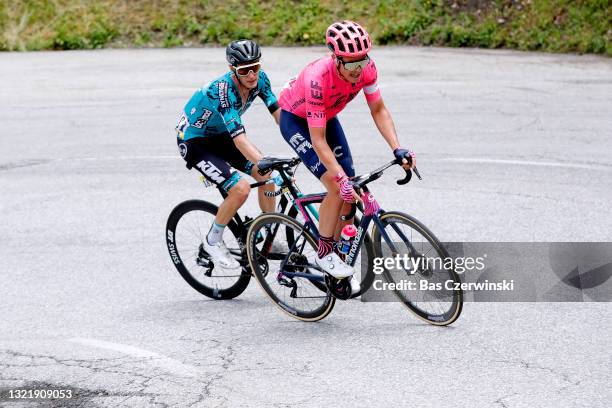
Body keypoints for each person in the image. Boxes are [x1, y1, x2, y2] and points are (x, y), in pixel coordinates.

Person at [277, 21, 415, 294]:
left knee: (350, 186)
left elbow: (378, 109)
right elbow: (317, 140)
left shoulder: (367, 69)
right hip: (297, 120)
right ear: (335, 58)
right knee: (336, 185)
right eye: (351, 65)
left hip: (326, 116)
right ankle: (324, 252)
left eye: (361, 63)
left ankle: (341, 258)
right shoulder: (318, 78)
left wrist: (396, 148)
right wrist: (339, 179)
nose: (357, 71)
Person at [176, 39, 281, 271]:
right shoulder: (222, 92)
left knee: (269, 176)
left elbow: (279, 115)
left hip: (220, 136)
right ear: (233, 70)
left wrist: (302, 142)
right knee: (240, 189)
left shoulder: (260, 80)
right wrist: (264, 161)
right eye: (245, 70)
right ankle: (212, 240)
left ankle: (266, 236)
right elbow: (240, 140)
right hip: (195, 141)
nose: (252, 75)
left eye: (256, 67)